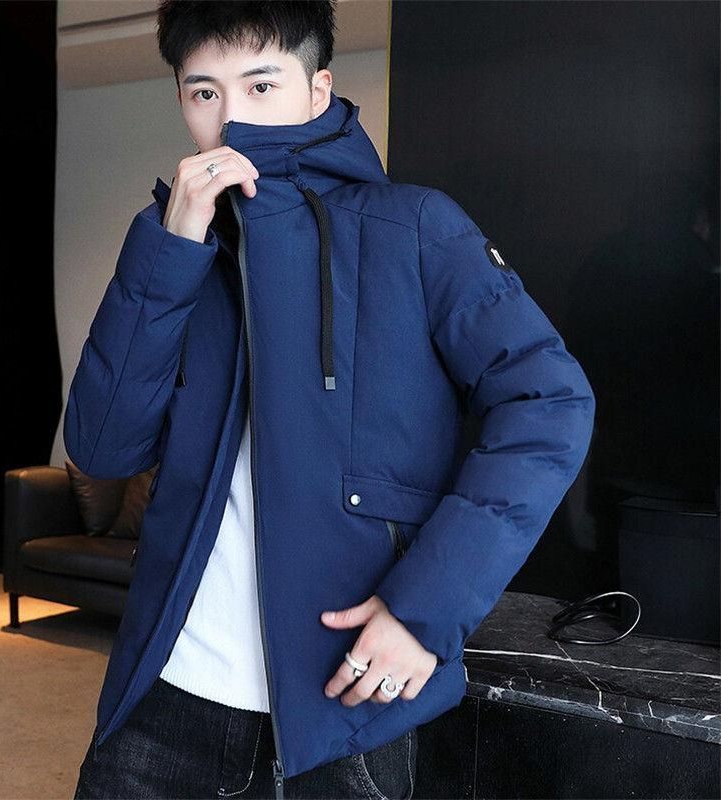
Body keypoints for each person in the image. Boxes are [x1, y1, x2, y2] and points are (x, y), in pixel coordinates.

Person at [68, 2, 596, 798]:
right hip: (163, 696)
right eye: (204, 92)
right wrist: (170, 249)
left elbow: (550, 400)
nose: (231, 118)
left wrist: (427, 608)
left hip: (342, 712)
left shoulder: (415, 227)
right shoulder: (178, 243)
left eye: (261, 85)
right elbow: (103, 446)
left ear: (317, 90)